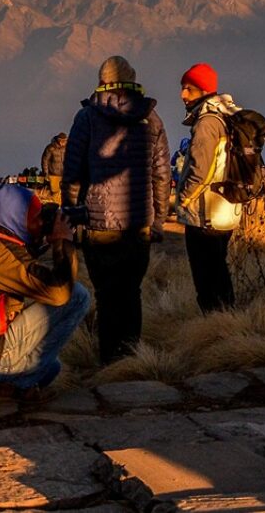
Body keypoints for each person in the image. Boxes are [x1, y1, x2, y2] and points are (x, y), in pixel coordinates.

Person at [62, 55, 170, 364]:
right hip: (139, 224)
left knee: (107, 296)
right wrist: (159, 219)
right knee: (131, 292)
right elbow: (162, 175)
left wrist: (71, 215)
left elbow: (72, 174)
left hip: (99, 225)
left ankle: (110, 361)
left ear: (101, 80)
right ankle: (132, 357)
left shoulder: (87, 118)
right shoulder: (152, 118)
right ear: (132, 79)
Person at [0, 183, 90, 403]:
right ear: (17, 218)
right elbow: (59, 292)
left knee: (51, 368)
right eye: (36, 216)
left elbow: (28, 273)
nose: (41, 222)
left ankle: (12, 383)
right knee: (77, 296)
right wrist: (63, 243)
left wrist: (47, 241)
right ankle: (9, 385)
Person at [177, 62, 243, 312]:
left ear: (204, 90)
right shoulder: (228, 116)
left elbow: (200, 170)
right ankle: (227, 318)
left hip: (205, 213)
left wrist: (183, 200)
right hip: (226, 209)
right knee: (219, 268)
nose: (183, 95)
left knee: (206, 276)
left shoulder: (207, 122)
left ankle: (214, 323)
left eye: (189, 89)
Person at [40, 132, 68, 199]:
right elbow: (45, 161)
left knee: (66, 193)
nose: (63, 142)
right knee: (55, 193)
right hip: (53, 175)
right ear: (58, 140)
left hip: (65, 174)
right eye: (61, 141)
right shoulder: (50, 148)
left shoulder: (68, 148)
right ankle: (55, 207)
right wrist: (46, 173)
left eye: (64, 141)